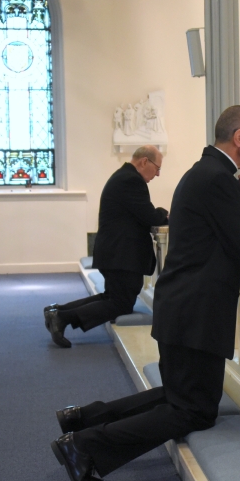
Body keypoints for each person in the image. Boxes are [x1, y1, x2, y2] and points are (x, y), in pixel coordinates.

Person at [50, 105, 240, 481]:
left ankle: (83, 420)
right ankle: (83, 447)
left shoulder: (208, 173)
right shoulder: (217, 179)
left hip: (185, 307)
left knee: (179, 398)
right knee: (194, 410)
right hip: (195, 311)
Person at [44, 145, 169, 348]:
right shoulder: (131, 180)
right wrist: (166, 214)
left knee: (111, 298)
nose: (157, 174)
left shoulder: (123, 176)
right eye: (157, 168)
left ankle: (57, 311)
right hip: (122, 255)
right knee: (120, 303)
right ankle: (60, 317)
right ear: (144, 161)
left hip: (115, 252)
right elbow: (148, 216)